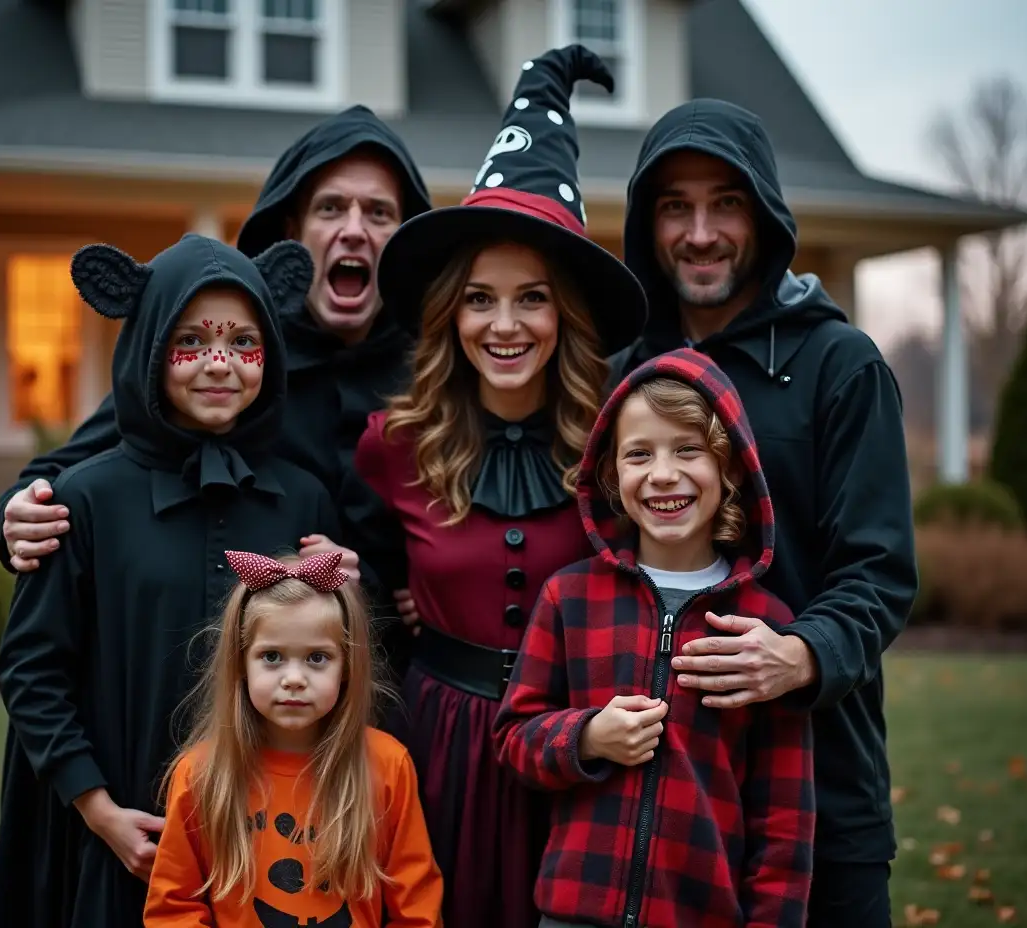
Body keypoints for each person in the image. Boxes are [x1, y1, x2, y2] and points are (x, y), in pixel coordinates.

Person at [353, 46, 648, 928]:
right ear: (452, 314)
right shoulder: (393, 446)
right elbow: (359, 587)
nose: (505, 324)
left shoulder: (618, 445)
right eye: (480, 299)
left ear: (566, 315)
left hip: (580, 744)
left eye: (532, 299)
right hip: (441, 748)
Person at [0, 233, 356, 928]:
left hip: (263, 840)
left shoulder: (303, 501)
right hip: (124, 830)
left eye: (244, 343)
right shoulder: (82, 499)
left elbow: (332, 657)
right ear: (151, 348)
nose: (220, 363)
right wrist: (97, 809)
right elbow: (32, 669)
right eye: (191, 342)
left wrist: (348, 596)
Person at [608, 98, 918, 925]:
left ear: (767, 215)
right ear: (648, 223)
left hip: (822, 792)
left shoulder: (839, 366)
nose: (700, 232)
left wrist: (802, 654)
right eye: (676, 206)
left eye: (726, 203)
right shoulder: (625, 375)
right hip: (661, 807)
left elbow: (878, 570)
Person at [0, 103, 430, 584]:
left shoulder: (434, 370)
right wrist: (15, 515)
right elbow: (67, 467)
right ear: (293, 232)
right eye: (330, 208)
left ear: (405, 237)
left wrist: (408, 591)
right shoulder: (233, 363)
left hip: (395, 654)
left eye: (378, 213)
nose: (353, 230)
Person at [493, 347, 815, 928]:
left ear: (731, 469)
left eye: (688, 450)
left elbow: (784, 819)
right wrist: (587, 737)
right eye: (639, 454)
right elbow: (515, 738)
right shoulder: (570, 598)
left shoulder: (763, 628)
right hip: (573, 914)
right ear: (612, 476)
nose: (663, 473)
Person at [143, 549, 443, 927]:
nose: (294, 678)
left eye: (317, 658)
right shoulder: (200, 773)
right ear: (240, 663)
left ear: (347, 666)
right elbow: (173, 910)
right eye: (271, 657)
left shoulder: (387, 765)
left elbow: (417, 909)